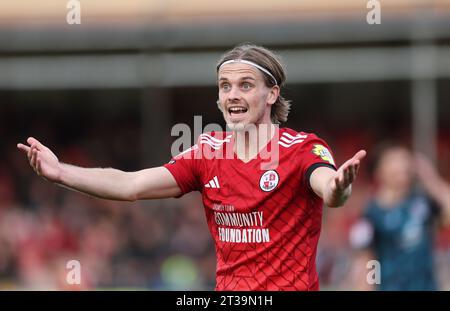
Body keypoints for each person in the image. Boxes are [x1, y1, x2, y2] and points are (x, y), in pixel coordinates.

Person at [17, 43, 366, 291]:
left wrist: (339, 185)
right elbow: (131, 186)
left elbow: (330, 190)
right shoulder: (206, 152)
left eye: (245, 86)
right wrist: (60, 172)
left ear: (272, 94)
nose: (232, 95)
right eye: (225, 86)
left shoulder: (303, 148)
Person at [349, 143, 450, 290]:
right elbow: (367, 262)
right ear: (379, 171)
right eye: (394, 161)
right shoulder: (371, 214)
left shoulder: (422, 202)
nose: (402, 166)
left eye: (404, 160)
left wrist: (431, 178)